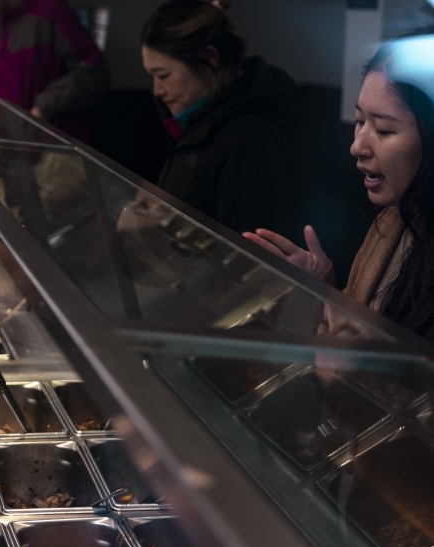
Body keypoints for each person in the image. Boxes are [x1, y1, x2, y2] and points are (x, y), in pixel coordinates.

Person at [244, 29, 434, 340]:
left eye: (384, 130)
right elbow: (340, 341)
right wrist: (321, 288)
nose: (357, 147)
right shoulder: (391, 220)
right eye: (360, 122)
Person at [139, 0, 300, 238]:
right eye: (152, 76)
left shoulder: (251, 139)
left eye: (163, 75)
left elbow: (249, 255)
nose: (157, 90)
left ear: (210, 60)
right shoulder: (197, 121)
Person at [0, 0, 110, 142]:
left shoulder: (50, 13)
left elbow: (92, 73)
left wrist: (45, 106)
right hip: (2, 150)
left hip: (52, 148)